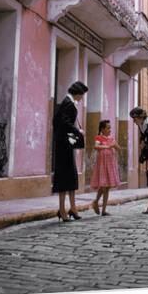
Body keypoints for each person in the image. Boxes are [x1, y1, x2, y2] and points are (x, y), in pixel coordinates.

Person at [52, 81, 88, 222]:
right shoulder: (68, 102)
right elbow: (62, 122)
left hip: (66, 145)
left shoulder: (68, 102)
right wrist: (77, 131)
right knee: (63, 177)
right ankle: (62, 209)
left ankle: (73, 207)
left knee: (71, 176)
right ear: (77, 93)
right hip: (63, 146)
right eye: (82, 95)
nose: (82, 98)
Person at [90, 120, 121, 216]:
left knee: (107, 187)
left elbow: (118, 148)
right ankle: (96, 202)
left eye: (110, 127)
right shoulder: (99, 137)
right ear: (102, 129)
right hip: (102, 165)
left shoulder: (111, 138)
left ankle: (103, 209)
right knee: (103, 186)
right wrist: (108, 146)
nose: (109, 129)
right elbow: (96, 146)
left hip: (110, 164)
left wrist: (114, 145)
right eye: (108, 128)